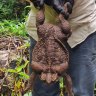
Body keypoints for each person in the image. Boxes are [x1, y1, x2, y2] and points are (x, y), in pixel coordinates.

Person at [26, 0, 96, 96]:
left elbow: (66, 76)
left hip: (80, 26)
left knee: (80, 91)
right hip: (41, 31)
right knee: (42, 92)